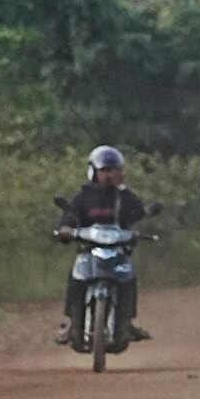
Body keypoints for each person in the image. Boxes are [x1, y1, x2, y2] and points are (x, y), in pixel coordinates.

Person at [54, 146, 152, 346]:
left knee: (129, 279)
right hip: (89, 252)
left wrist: (140, 225)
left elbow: (138, 214)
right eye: (105, 170)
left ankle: (126, 322)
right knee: (76, 279)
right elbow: (70, 216)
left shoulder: (124, 197)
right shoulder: (82, 198)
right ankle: (73, 323)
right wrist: (66, 229)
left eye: (114, 170)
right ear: (93, 171)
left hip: (118, 253)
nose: (110, 175)